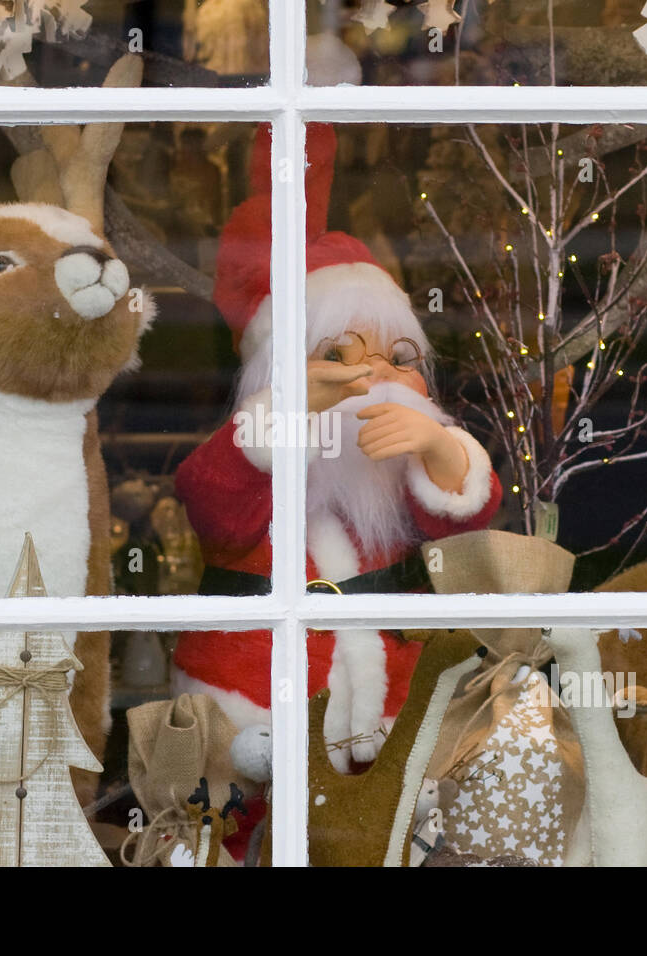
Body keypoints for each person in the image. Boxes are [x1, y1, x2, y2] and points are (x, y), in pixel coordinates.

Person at [172, 124, 502, 786]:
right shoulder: (254, 451)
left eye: (397, 358)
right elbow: (210, 501)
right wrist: (291, 411)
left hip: (392, 706)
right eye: (338, 357)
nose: (371, 377)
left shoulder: (397, 463)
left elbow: (466, 524)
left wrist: (438, 445)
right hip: (253, 698)